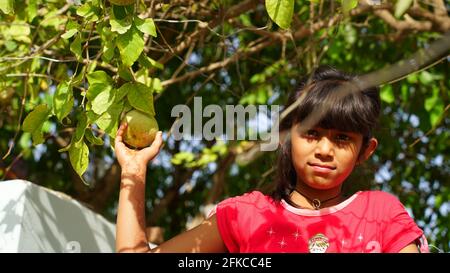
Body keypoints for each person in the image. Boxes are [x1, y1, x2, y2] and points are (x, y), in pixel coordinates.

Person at [114, 66, 429, 253]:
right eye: (311, 133)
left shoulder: (382, 214)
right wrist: (134, 171)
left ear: (365, 151)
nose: (324, 149)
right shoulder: (245, 215)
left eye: (342, 138)